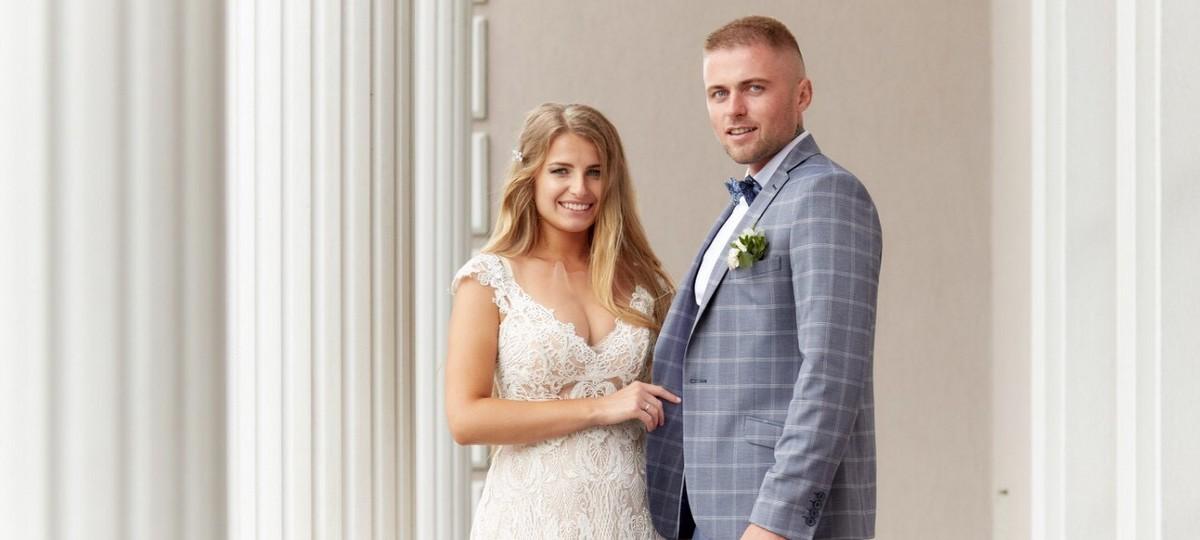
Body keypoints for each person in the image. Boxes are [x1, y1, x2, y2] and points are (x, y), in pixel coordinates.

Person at [645, 16, 883, 540]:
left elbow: (831, 373)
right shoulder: (747, 203)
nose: (734, 109)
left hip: (770, 517)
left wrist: (775, 521)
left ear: (803, 94)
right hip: (704, 506)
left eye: (754, 88)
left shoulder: (826, 194)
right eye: (718, 93)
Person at [446, 102, 678, 539]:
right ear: (531, 175)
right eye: (561, 171)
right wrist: (600, 407)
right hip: (529, 519)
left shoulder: (645, 281)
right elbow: (465, 419)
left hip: (631, 518)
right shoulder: (489, 279)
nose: (580, 188)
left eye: (595, 172)